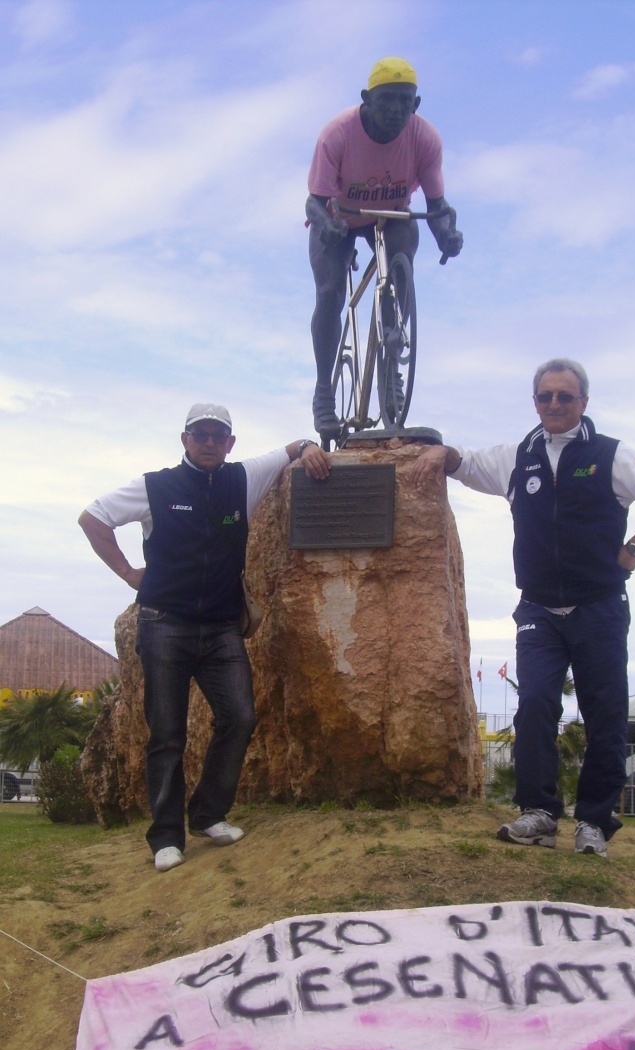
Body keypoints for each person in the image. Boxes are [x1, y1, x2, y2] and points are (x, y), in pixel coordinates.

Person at [413, 359, 635, 858]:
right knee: (535, 705)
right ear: (535, 402)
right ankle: (538, 813)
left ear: (584, 402)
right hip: (538, 611)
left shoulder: (611, 456)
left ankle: (594, 822)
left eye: (566, 396)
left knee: (604, 716)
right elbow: (468, 463)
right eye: (546, 397)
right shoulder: (521, 457)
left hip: (599, 607)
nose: (555, 405)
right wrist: (441, 452)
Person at [79, 404, 331, 872]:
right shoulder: (156, 486)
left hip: (220, 629)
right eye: (201, 435)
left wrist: (311, 447)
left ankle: (209, 814)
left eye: (219, 435)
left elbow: (291, 448)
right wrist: (129, 573)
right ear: (185, 439)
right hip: (163, 624)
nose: (210, 443)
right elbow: (93, 517)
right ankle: (166, 837)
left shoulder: (242, 478)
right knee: (167, 736)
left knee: (239, 718)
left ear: (231, 443)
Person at [306, 56, 463, 437]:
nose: (395, 110)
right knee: (330, 293)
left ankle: (391, 357)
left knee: (403, 255)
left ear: (416, 104)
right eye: (387, 100)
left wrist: (447, 234)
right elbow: (314, 200)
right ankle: (324, 390)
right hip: (339, 216)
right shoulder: (337, 134)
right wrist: (328, 226)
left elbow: (437, 207)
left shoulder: (424, 139)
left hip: (391, 216)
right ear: (366, 100)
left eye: (404, 102)